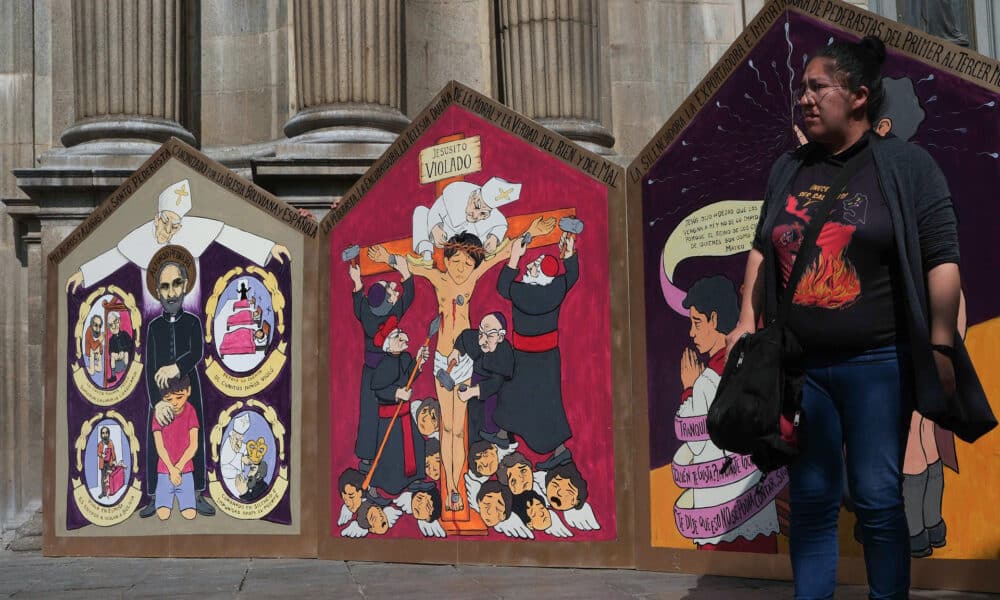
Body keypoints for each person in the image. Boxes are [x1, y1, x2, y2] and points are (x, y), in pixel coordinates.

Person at [731, 36, 978, 598]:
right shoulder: (787, 169)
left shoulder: (908, 168)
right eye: (801, 89)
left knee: (875, 497)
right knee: (813, 498)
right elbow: (762, 247)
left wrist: (941, 346)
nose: (805, 99)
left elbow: (942, 258)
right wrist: (748, 316)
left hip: (878, 367)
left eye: (818, 87)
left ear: (860, 96)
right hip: (801, 369)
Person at [367, 214, 555, 512]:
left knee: (459, 427)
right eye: (456, 261)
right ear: (447, 258)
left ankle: (458, 488)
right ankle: (452, 487)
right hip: (443, 357)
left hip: (466, 358)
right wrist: (387, 257)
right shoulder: (439, 279)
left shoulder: (472, 279)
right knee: (448, 427)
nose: (461, 268)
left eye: (468, 264)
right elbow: (411, 265)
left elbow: (503, 251)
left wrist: (531, 232)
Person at [139, 246, 215, 517]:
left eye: (176, 285)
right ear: (158, 292)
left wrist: (176, 366)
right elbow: (149, 367)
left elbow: (197, 351)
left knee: (194, 437)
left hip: (188, 391)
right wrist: (156, 403)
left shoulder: (193, 322)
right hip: (160, 396)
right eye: (165, 287)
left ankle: (196, 492)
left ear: (184, 286)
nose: (171, 293)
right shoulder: (154, 328)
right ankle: (153, 495)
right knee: (156, 441)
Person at [494, 232, 578, 469]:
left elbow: (502, 287)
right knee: (545, 400)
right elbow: (572, 275)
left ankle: (509, 434)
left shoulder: (522, 292)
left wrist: (514, 257)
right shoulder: (556, 288)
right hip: (548, 357)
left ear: (535, 273)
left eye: (532, 265)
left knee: (517, 393)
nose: (529, 265)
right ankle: (506, 434)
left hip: (524, 356)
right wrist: (568, 254)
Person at [349, 253, 414, 475]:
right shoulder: (391, 313)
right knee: (372, 414)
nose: (395, 289)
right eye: (391, 290)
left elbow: (359, 303)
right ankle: (371, 460)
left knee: (375, 414)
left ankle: (376, 458)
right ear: (388, 302)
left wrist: (357, 282)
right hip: (384, 368)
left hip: (378, 369)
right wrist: (405, 272)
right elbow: (408, 296)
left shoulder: (368, 314)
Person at [410, 177, 521, 263]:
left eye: (483, 213)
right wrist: (435, 228)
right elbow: (435, 211)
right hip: (445, 235)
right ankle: (426, 256)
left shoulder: (491, 213)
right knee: (421, 211)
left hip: (467, 244)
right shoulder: (455, 192)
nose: (475, 215)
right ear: (473, 195)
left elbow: (501, 224)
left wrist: (494, 237)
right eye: (476, 206)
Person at [449, 312, 514, 445]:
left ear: (500, 336)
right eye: (480, 333)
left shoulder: (505, 351)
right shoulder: (477, 338)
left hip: (495, 394)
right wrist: (456, 352)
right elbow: (464, 337)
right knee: (473, 424)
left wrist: (471, 392)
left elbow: (496, 383)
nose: (482, 340)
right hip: (476, 386)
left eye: (489, 336)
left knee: (491, 426)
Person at [151, 375, 200, 521]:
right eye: (169, 399)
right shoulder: (158, 414)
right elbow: (159, 447)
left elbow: (193, 445)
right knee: (163, 515)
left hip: (185, 470)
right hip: (165, 470)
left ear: (188, 391)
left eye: (179, 397)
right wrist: (171, 470)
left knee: (190, 514)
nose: (175, 403)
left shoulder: (191, 411)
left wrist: (178, 468)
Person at [220, 413, 250, 496]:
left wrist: (249, 457)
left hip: (239, 478)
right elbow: (224, 460)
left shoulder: (240, 443)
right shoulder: (227, 445)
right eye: (237, 438)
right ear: (232, 435)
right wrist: (241, 459)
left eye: (241, 439)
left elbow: (244, 449)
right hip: (228, 478)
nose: (238, 442)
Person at [106, 311, 134, 384]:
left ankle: (127, 374)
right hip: (118, 364)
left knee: (126, 354)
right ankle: (113, 375)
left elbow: (131, 345)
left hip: (126, 362)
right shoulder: (111, 339)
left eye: (115, 322)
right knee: (112, 356)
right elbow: (110, 350)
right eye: (111, 325)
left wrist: (124, 351)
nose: (114, 327)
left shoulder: (125, 334)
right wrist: (114, 354)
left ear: (118, 322)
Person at [96, 426, 117, 499]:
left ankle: (111, 491)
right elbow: (98, 452)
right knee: (103, 478)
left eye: (106, 433)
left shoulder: (110, 442)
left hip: (109, 463)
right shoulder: (100, 444)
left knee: (110, 477)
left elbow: (113, 452)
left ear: (108, 434)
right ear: (101, 434)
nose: (105, 435)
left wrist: (114, 460)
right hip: (103, 464)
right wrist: (102, 454)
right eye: (103, 433)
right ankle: (103, 492)